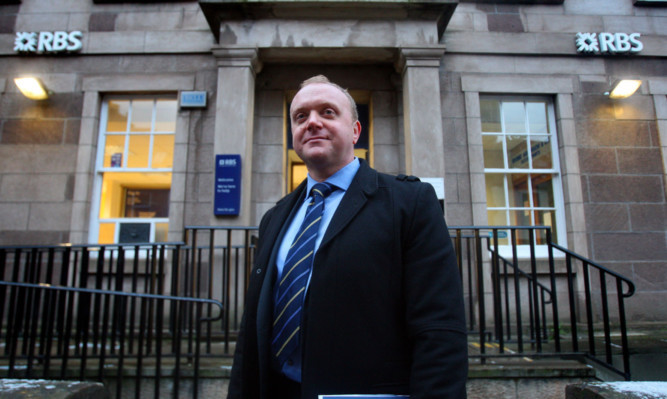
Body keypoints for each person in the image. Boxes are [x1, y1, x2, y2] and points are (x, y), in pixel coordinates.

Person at [228, 75, 468, 399]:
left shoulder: (410, 203)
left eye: (327, 112)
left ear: (355, 131)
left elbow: (439, 330)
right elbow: (251, 334)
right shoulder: (275, 217)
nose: (312, 122)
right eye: (301, 116)